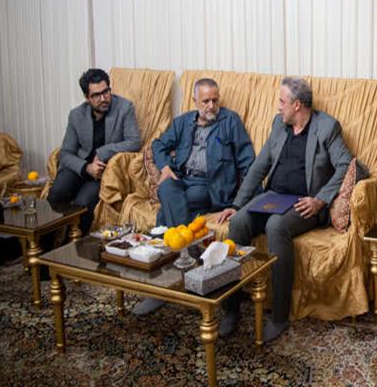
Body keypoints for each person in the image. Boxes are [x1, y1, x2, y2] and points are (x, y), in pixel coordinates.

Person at [215, 76, 358, 342]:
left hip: (305, 203)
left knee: (276, 225)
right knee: (238, 223)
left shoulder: (327, 127)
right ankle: (231, 309)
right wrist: (237, 204)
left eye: (282, 101)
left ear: (297, 105)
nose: (278, 106)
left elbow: (346, 164)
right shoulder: (279, 125)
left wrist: (321, 199)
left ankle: (280, 315)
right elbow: (259, 166)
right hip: (273, 198)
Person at [133, 77, 254, 316]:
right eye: (206, 101)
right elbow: (158, 145)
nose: (211, 106)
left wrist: (241, 202)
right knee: (166, 188)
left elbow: (248, 161)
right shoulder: (183, 122)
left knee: (164, 214)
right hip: (182, 180)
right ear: (194, 100)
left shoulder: (230, 121)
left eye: (215, 100)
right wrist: (165, 167)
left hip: (210, 186)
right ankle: (189, 267)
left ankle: (161, 290)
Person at [48, 68, 141, 234]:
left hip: (103, 173)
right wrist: (86, 167)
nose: (103, 99)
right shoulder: (76, 115)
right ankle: (47, 244)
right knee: (56, 193)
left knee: (83, 203)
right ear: (87, 97)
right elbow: (66, 153)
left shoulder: (124, 108)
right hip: (80, 168)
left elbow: (134, 142)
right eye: (96, 95)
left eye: (106, 92)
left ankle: (74, 244)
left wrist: (103, 152)